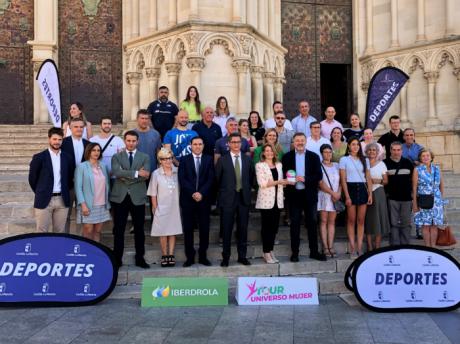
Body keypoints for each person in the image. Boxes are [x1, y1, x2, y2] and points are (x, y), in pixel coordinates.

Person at [282, 133, 326, 262]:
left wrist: (305, 179)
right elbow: (284, 174)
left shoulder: (314, 156)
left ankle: (314, 252)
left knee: (312, 223)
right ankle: (295, 253)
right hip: (294, 195)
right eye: (297, 141)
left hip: (309, 195)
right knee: (294, 224)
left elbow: (318, 176)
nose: (300, 143)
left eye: (302, 140)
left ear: (305, 142)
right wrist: (290, 180)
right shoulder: (287, 157)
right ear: (293, 142)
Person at [110, 130, 150, 268]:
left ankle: (140, 258)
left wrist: (125, 175)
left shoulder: (145, 157)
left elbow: (146, 175)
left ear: (137, 142)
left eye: (133, 141)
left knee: (139, 230)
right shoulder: (116, 156)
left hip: (137, 197)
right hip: (120, 197)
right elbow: (117, 172)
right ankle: (117, 259)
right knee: (119, 230)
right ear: (125, 141)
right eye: (128, 141)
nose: (131, 143)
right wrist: (137, 173)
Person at [215, 133, 255, 267]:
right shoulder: (222, 160)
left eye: (239, 142)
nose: (236, 144)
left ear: (242, 144)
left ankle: (242, 256)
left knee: (243, 229)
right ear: (229, 144)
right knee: (226, 229)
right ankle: (225, 257)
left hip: (243, 199)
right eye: (234, 142)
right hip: (227, 200)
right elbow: (217, 180)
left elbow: (251, 178)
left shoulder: (247, 159)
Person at [29, 127, 74, 233]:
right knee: (41, 231)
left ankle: (57, 250)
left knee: (59, 232)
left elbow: (70, 177)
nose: (57, 142)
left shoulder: (67, 158)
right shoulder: (39, 157)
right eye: (54, 139)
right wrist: (41, 191)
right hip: (44, 198)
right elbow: (32, 179)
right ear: (49, 139)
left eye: (59, 139)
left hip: (62, 200)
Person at [178, 137, 214, 267]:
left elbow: (211, 178)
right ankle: (190, 257)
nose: (197, 146)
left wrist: (201, 193)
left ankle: (203, 256)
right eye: (195, 144)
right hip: (188, 199)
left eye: (200, 144)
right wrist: (193, 193)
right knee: (188, 229)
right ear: (190, 146)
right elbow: (182, 179)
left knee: (204, 228)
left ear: (203, 145)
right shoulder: (184, 159)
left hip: (204, 200)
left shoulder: (209, 159)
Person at [148, 148, 182, 267]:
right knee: (163, 232)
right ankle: (164, 255)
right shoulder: (156, 174)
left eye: (169, 158)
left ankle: (171, 255)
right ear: (160, 161)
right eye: (164, 159)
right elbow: (153, 193)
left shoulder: (178, 171)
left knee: (173, 231)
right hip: (161, 206)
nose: (168, 161)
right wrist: (155, 207)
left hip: (175, 207)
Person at [339, 137, 372, 258]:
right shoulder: (344, 160)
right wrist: (347, 196)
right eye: (353, 144)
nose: (355, 146)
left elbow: (368, 178)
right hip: (351, 188)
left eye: (357, 144)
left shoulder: (365, 160)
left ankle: (359, 247)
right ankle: (352, 247)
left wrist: (370, 194)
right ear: (348, 146)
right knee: (351, 220)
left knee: (361, 220)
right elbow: (343, 179)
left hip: (362, 189)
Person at [255, 144, 287, 264]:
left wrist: (283, 183)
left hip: (277, 201)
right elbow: (262, 183)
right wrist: (278, 182)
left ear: (274, 153)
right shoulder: (259, 165)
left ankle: (271, 250)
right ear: (263, 153)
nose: (269, 153)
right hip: (265, 201)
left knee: (274, 228)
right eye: (266, 151)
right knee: (267, 228)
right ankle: (266, 252)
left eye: (271, 151)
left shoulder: (279, 165)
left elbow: (278, 182)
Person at [74, 143, 111, 242]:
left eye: (98, 150)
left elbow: (107, 184)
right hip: (88, 205)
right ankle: (86, 254)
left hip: (102, 204)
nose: (96, 152)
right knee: (88, 231)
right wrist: (83, 205)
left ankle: (96, 254)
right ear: (88, 151)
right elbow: (78, 187)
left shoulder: (103, 166)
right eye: (93, 150)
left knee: (98, 231)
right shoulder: (82, 166)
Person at [61, 117, 90, 233]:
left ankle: (82, 241)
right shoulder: (63, 143)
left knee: (85, 215)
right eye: (76, 127)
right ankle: (64, 241)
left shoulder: (89, 144)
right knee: (64, 216)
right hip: (68, 185)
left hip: (84, 185)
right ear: (70, 128)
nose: (79, 129)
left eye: (81, 127)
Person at [384, 142, 415, 245]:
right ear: (390, 150)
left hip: (406, 198)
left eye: (398, 150)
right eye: (394, 150)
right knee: (393, 223)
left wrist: (413, 194)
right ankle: (395, 247)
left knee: (406, 224)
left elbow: (413, 180)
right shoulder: (385, 163)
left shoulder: (408, 163)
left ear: (402, 151)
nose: (396, 152)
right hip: (392, 198)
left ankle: (406, 246)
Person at [412, 149, 444, 247]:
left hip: (436, 201)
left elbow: (441, 185)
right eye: (423, 156)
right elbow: (414, 188)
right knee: (425, 225)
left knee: (434, 225)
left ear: (431, 157)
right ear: (420, 158)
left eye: (427, 155)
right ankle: (427, 247)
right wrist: (414, 204)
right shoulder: (417, 170)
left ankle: (433, 247)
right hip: (424, 200)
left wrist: (441, 200)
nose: (426, 157)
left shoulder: (437, 169)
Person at [364, 143, 390, 251]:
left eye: (374, 150)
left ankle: (377, 245)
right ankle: (370, 245)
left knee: (378, 218)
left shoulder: (382, 164)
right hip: (365, 192)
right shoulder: (363, 163)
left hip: (378, 192)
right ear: (366, 152)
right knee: (368, 218)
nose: (372, 152)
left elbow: (386, 181)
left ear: (377, 152)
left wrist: (376, 180)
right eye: (369, 150)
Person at [317, 144, 341, 258]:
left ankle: (331, 246)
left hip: (335, 196)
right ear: (322, 153)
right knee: (323, 221)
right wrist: (333, 193)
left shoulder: (337, 165)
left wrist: (338, 193)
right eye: (325, 152)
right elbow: (320, 183)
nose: (328, 154)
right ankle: (325, 247)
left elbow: (342, 181)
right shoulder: (319, 165)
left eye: (330, 152)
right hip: (324, 196)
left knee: (332, 222)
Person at [134, 109, 162, 174]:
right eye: (142, 118)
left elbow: (158, 152)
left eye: (146, 119)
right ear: (137, 119)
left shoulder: (155, 134)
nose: (144, 121)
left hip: (152, 170)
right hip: (137, 171)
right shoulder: (132, 134)